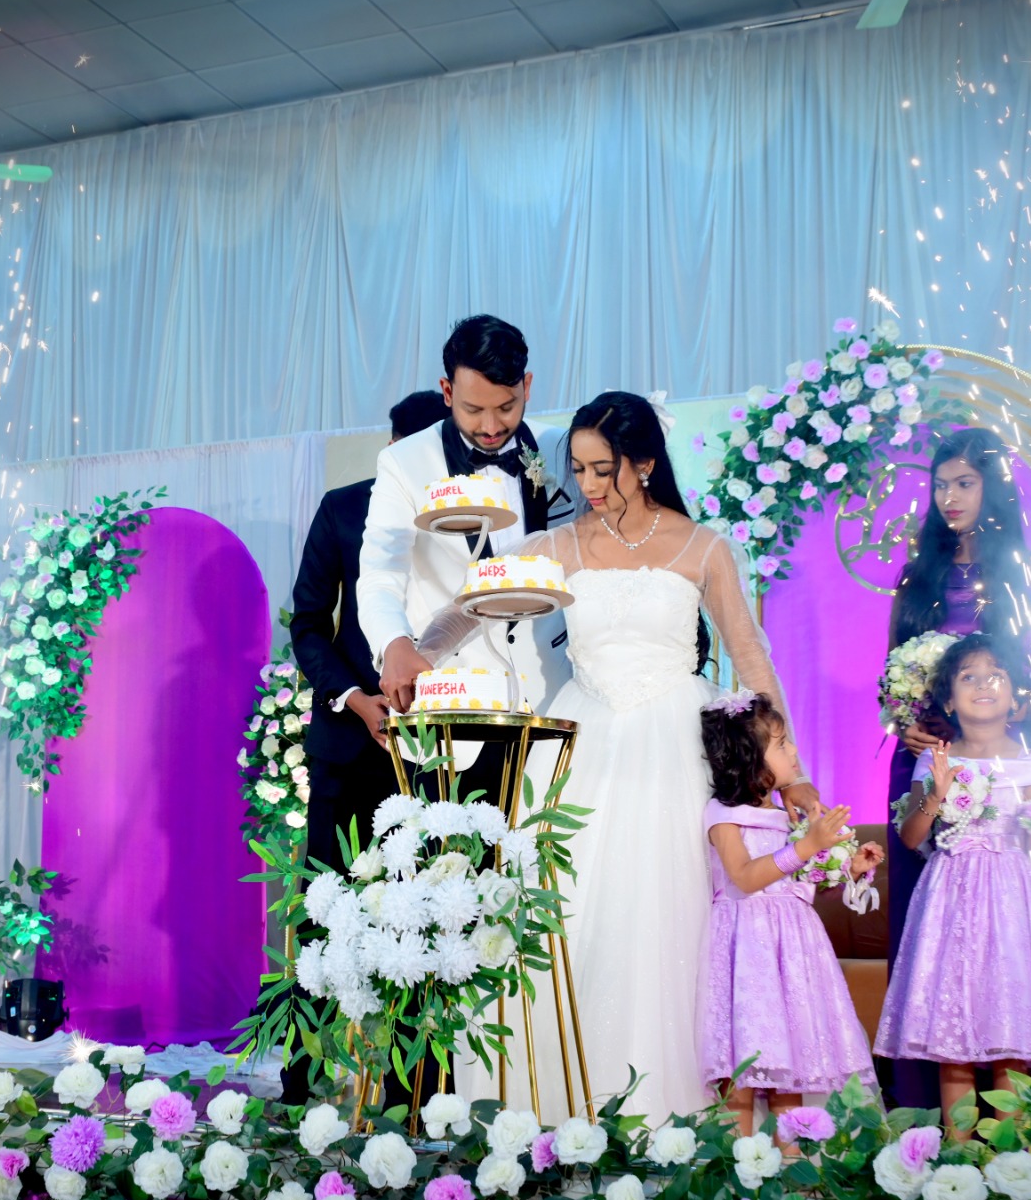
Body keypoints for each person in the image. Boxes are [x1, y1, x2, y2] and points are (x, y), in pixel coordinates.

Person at [421, 391, 823, 1125]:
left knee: (671, 917)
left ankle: (679, 1118)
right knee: (566, 914)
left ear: (643, 463)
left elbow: (749, 657)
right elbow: (471, 605)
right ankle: (558, 1106)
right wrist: (414, 655)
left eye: (602, 470)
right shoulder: (557, 546)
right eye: (578, 469)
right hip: (583, 740)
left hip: (676, 745)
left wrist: (788, 774)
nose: (589, 485)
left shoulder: (703, 547)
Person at [882, 426, 1031, 1109]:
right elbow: (889, 675)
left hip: (1000, 761)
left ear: (992, 488)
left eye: (965, 483)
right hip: (928, 761)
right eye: (941, 484)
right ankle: (928, 1113)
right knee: (930, 935)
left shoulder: (1024, 575)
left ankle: (1015, 1117)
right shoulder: (918, 574)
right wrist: (904, 720)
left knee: (1009, 941)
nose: (949, 497)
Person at [357, 315, 578, 796]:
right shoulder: (403, 463)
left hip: (555, 696)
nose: (491, 426)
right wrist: (394, 643)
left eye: (507, 407)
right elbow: (380, 571)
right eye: (474, 409)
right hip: (452, 705)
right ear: (446, 390)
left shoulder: (561, 448)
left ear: (527, 386)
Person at [873, 632, 1031, 1132]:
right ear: (947, 699)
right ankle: (958, 1155)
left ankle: (1011, 1157)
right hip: (951, 899)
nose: (984, 685)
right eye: (969, 677)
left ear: (1015, 696)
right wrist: (935, 796)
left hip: (1012, 900)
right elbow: (911, 836)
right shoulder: (935, 760)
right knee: (953, 1039)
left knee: (1011, 1036)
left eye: (996, 676)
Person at [697, 690, 881, 1137]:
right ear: (748, 757)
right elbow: (745, 877)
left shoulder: (787, 815)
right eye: (781, 744)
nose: (794, 750)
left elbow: (799, 885)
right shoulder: (723, 814)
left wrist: (848, 870)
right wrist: (807, 845)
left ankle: (791, 1154)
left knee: (792, 1062)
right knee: (742, 1063)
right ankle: (736, 1158)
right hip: (749, 949)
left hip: (795, 949)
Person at [290, 391, 448, 872]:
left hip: (447, 749)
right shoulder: (342, 507)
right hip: (350, 748)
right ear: (392, 448)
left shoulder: (469, 512)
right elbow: (309, 623)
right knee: (333, 895)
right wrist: (355, 699)